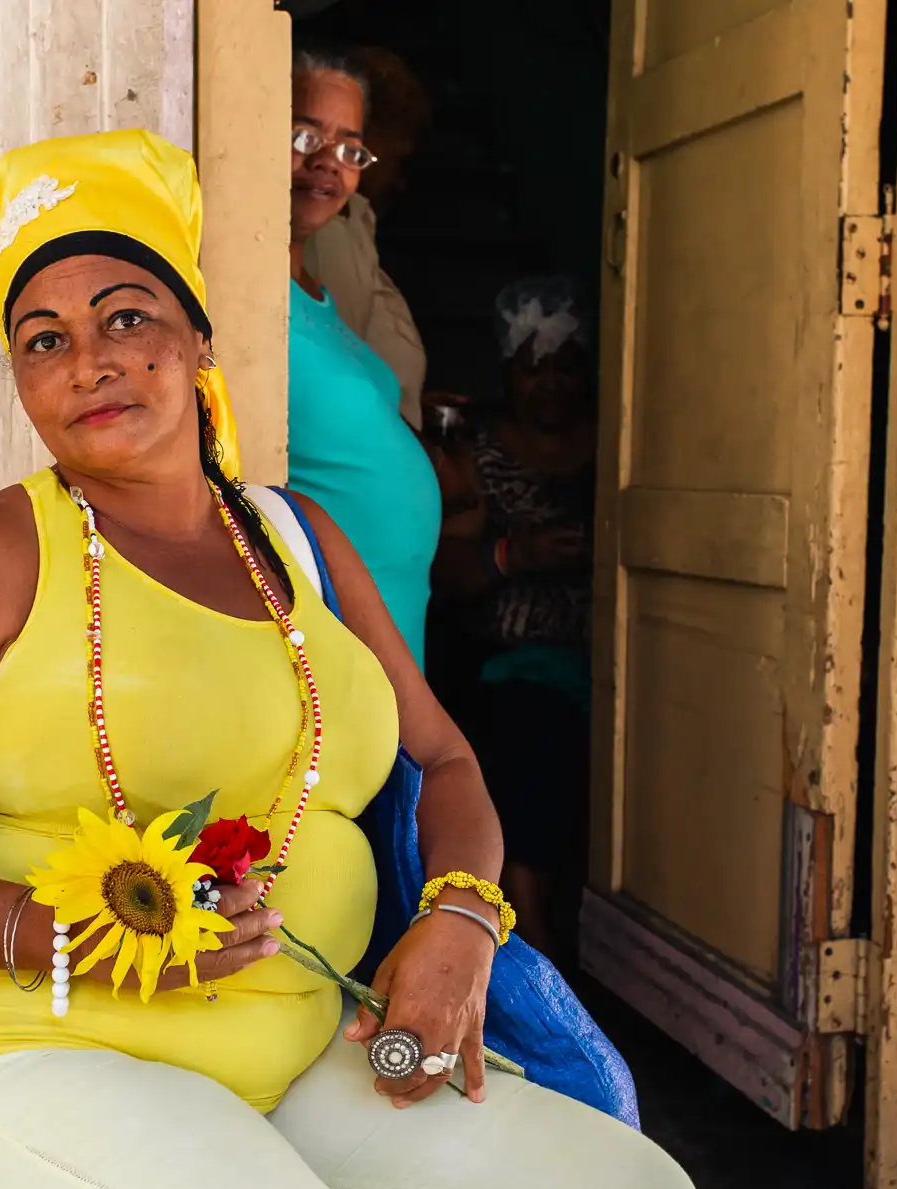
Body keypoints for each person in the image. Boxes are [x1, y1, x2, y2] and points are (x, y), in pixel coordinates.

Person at [0, 131, 694, 1189]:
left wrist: (461, 919)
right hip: (37, 1058)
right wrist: (63, 935)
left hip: (306, 1055)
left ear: (201, 339)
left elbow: (445, 759)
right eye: (43, 340)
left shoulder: (295, 538)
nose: (89, 361)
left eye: (128, 317)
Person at [430, 276, 598, 968]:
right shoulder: (477, 456)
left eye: (565, 367)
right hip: (509, 664)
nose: (550, 385)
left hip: (614, 658)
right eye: (533, 369)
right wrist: (517, 554)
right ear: (507, 373)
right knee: (534, 738)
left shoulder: (619, 442)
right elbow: (448, 572)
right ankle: (537, 947)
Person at [287, 48, 442, 670]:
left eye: (351, 149)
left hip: (387, 636)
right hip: (329, 645)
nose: (329, 162)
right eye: (304, 136)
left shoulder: (317, 297)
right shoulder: (239, 301)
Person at [301, 47, 430, 429]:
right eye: (398, 154)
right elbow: (336, 369)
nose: (398, 177)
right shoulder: (325, 231)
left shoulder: (353, 222)